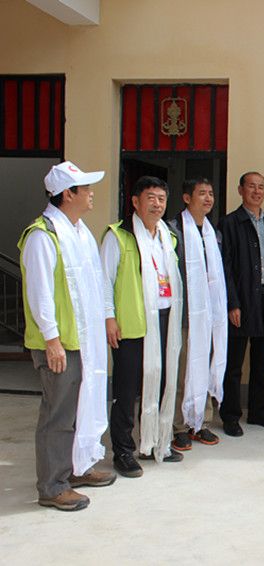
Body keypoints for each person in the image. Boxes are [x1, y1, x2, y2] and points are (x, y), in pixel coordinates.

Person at [19, 161, 115, 511]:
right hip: (60, 343)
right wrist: (52, 340)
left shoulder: (79, 231)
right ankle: (52, 486)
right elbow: (40, 293)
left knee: (79, 407)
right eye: (85, 188)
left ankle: (77, 466)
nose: (91, 194)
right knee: (57, 414)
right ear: (67, 194)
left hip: (82, 339)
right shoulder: (43, 235)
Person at [101, 176, 184, 478]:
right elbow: (104, 280)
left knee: (161, 383)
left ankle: (155, 442)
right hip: (131, 325)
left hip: (163, 321)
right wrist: (109, 317)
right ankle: (123, 450)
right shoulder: (119, 235)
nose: (157, 204)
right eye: (151, 198)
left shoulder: (167, 236)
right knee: (127, 390)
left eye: (162, 199)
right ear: (135, 202)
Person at [219, 172, 264, 437]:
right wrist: (232, 303)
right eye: (251, 186)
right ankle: (230, 416)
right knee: (234, 364)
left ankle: (258, 411)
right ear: (240, 190)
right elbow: (224, 267)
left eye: (261, 187)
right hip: (243, 300)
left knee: (262, 362)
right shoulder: (229, 223)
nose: (256, 191)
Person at [168, 179, 227, 451]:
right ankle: (179, 425)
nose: (208, 198)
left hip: (209, 314)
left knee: (205, 365)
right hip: (184, 314)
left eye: (211, 194)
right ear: (186, 198)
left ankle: (201, 422)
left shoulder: (213, 233)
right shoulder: (173, 230)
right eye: (201, 193)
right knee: (183, 370)